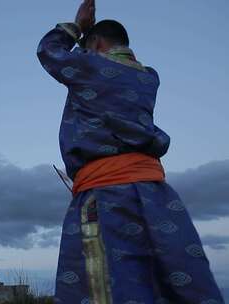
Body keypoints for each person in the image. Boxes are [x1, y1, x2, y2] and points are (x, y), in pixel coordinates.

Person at [36, 0, 225, 303]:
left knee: (102, 283)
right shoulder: (149, 76)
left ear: (95, 44)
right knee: (165, 273)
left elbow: (49, 51)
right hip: (154, 193)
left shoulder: (90, 65)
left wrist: (76, 27)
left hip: (107, 195)